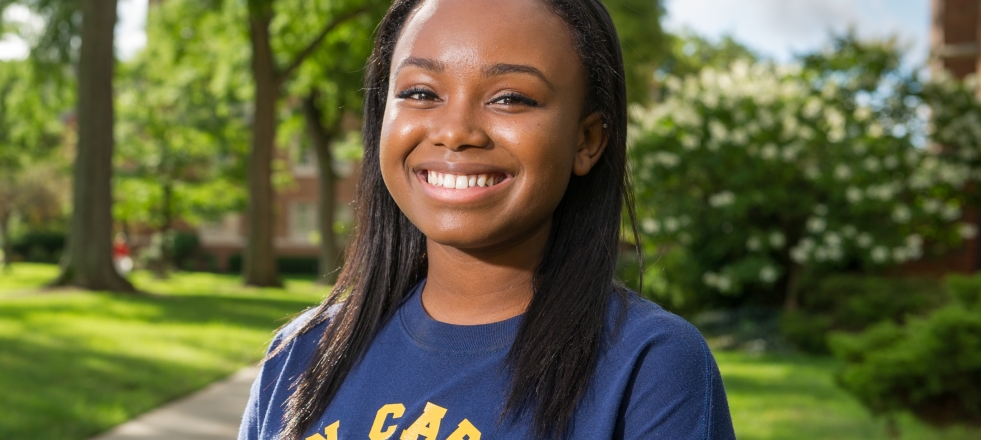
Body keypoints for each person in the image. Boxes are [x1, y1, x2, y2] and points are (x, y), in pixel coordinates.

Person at [239, 0, 735, 439]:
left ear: (586, 140)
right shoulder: (301, 354)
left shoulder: (651, 366)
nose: (455, 131)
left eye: (510, 98)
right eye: (420, 92)